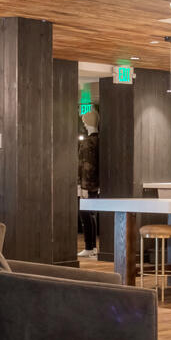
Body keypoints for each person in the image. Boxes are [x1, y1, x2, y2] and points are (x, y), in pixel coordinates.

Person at [76, 107, 100, 256]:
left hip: (87, 185)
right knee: (91, 214)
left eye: (85, 121)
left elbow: (85, 166)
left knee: (85, 215)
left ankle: (89, 247)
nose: (84, 124)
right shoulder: (100, 141)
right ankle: (92, 247)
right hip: (96, 185)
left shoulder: (87, 143)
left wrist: (82, 187)